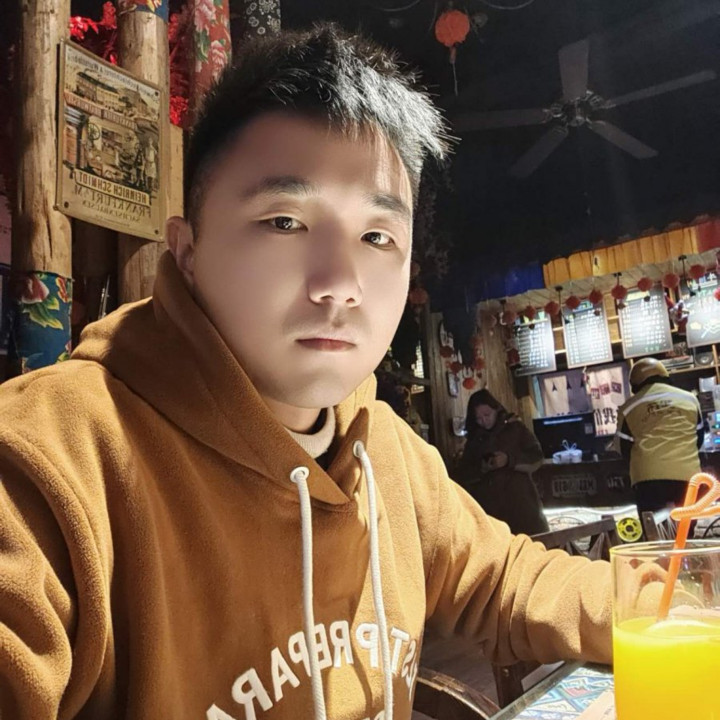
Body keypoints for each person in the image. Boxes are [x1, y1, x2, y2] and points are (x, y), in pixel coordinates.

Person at [0, 26, 613, 720]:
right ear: (188, 251)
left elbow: (505, 581)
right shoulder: (46, 464)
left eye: (377, 236)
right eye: (285, 221)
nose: (339, 284)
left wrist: (674, 601)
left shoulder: (386, 451)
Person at [615, 357, 704, 521]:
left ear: (635, 383)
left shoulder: (629, 407)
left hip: (647, 478)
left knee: (653, 528)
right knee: (686, 526)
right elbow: (699, 438)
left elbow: (622, 447)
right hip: (688, 476)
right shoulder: (690, 399)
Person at [454, 389, 550, 536]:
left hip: (523, 507)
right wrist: (482, 468)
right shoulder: (474, 440)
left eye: (487, 415)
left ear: (496, 409)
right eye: (478, 418)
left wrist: (509, 460)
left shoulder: (515, 428)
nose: (484, 421)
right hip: (491, 514)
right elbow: (463, 474)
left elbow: (536, 458)